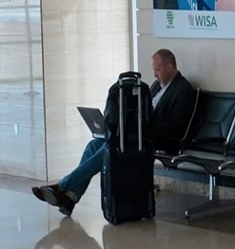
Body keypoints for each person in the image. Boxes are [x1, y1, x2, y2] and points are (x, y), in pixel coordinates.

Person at [32, 49, 197, 216]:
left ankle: (63, 186)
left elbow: (177, 127)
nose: (154, 74)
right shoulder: (156, 87)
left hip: (161, 139)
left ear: (169, 67)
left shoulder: (183, 90)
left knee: (108, 147)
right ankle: (71, 198)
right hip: (140, 135)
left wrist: (145, 127)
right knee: (94, 144)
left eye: (158, 70)